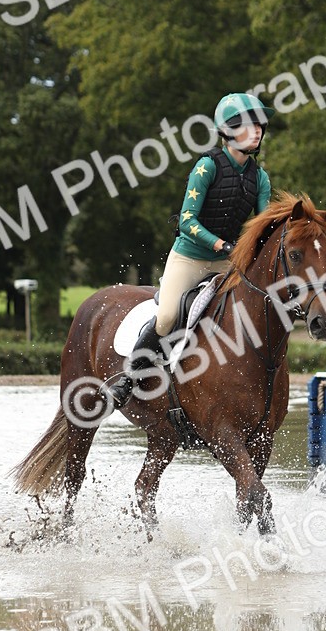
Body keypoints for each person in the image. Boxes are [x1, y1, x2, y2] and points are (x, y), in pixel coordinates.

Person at [112, 92, 274, 409]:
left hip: (227, 264)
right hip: (190, 257)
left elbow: (262, 226)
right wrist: (223, 245)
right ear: (228, 130)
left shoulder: (260, 178)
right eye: (248, 124)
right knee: (169, 316)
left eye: (259, 125)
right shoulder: (207, 167)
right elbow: (187, 221)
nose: (257, 130)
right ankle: (127, 380)